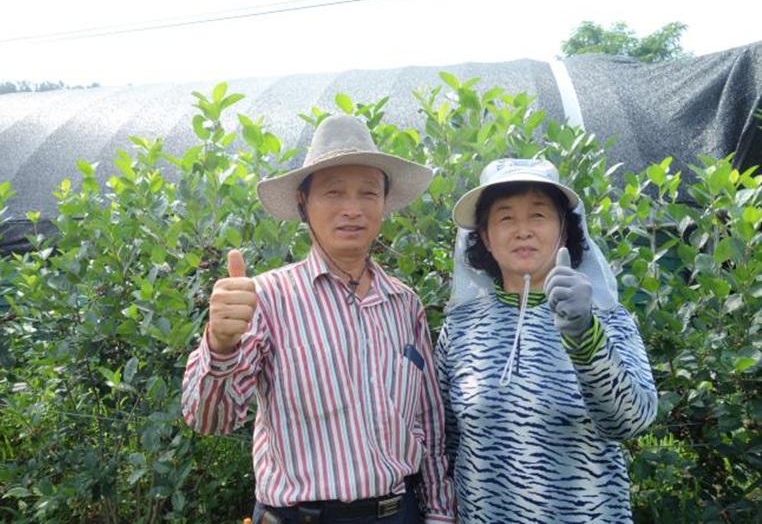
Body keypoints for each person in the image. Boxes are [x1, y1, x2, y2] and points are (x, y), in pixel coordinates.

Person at [182, 114, 455, 524]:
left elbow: (430, 425)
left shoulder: (404, 303)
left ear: (384, 202)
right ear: (302, 203)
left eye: (368, 193)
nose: (352, 209)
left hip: (399, 514)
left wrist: (439, 514)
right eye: (333, 193)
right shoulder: (268, 298)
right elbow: (211, 420)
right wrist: (221, 345)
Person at [435, 158, 657, 523]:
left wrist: (585, 335)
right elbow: (447, 441)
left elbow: (630, 421)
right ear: (486, 238)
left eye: (538, 215)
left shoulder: (606, 316)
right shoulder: (460, 327)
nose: (523, 230)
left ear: (564, 231)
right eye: (505, 217)